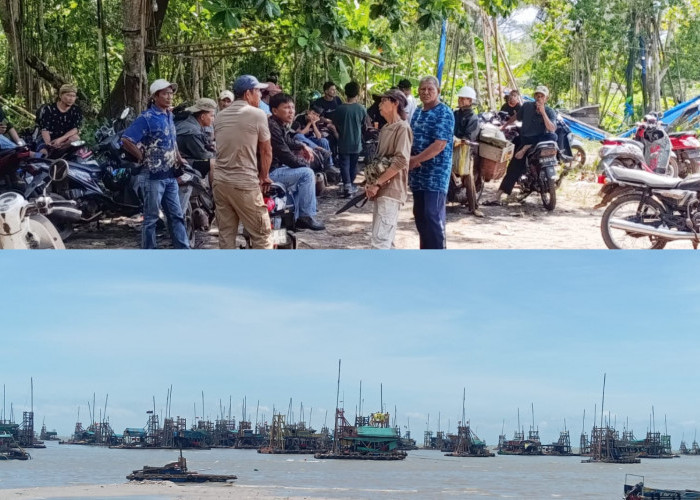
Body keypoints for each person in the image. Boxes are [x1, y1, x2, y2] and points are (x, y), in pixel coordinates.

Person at [121, 79, 190, 249]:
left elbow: (172, 140)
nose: (169, 97)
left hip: (170, 174)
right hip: (152, 176)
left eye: (170, 93)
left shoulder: (169, 115)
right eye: (165, 93)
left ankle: (183, 249)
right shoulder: (146, 117)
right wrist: (142, 157)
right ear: (155, 96)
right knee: (151, 218)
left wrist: (179, 158)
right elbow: (126, 140)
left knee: (176, 215)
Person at [212, 75, 273, 249]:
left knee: (226, 234)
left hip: (220, 183)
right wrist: (265, 176)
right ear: (248, 93)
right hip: (244, 184)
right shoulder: (258, 114)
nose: (260, 95)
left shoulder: (220, 116)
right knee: (262, 235)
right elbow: (266, 150)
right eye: (258, 91)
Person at [485, 85, 557, 206]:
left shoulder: (550, 111)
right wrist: (503, 126)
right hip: (526, 139)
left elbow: (552, 129)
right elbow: (516, 117)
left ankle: (531, 149)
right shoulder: (527, 106)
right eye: (537, 96)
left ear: (546, 99)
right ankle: (497, 196)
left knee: (553, 137)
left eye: (542, 96)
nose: (539, 98)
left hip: (541, 142)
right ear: (534, 97)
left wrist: (543, 113)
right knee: (514, 165)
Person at [408, 75, 454, 249]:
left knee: (432, 214)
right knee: (419, 214)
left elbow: (439, 144)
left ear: (438, 92)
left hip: (435, 174)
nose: (426, 92)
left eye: (430, 89)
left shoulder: (444, 112)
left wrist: (416, 160)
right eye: (422, 89)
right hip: (418, 174)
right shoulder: (418, 112)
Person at [268, 93, 325, 231]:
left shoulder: (277, 124)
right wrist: (306, 165)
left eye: (292, 107)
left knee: (304, 174)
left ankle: (296, 217)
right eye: (286, 107)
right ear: (275, 110)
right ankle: (305, 216)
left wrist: (302, 146)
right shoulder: (272, 126)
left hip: (274, 168)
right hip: (269, 173)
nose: (291, 111)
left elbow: (287, 141)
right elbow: (285, 154)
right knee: (306, 174)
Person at [364, 89, 412, 249]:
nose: (380, 105)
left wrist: (377, 183)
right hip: (381, 188)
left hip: (391, 190)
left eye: (384, 101)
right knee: (384, 240)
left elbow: (400, 161)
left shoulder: (402, 128)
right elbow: (380, 160)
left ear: (395, 103)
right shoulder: (386, 128)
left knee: (380, 242)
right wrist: (371, 182)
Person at [175, 97, 217, 213]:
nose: (213, 119)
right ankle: (215, 197)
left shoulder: (192, 123)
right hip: (182, 162)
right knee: (214, 163)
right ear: (203, 116)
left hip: (187, 157)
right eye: (212, 115)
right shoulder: (191, 130)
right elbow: (202, 155)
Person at [332, 81, 370, 197]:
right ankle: (351, 185)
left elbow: (335, 123)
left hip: (343, 141)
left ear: (346, 93)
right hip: (356, 142)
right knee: (354, 165)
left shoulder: (340, 109)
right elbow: (365, 124)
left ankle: (347, 186)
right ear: (357, 94)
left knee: (344, 164)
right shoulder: (361, 108)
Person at [36, 83, 83, 155]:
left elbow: (75, 129)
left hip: (64, 139)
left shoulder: (76, 110)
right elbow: (45, 130)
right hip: (47, 138)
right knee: (43, 153)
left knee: (76, 139)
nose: (71, 98)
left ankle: (60, 153)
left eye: (73, 96)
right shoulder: (48, 109)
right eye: (68, 95)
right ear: (60, 95)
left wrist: (60, 139)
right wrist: (49, 144)